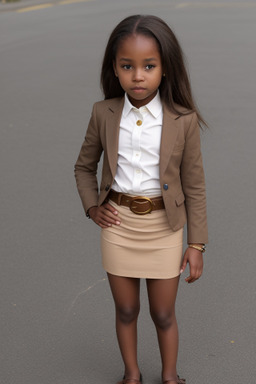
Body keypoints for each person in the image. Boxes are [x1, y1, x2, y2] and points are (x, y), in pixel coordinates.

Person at [74, 14, 208, 384]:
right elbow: (83, 167)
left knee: (163, 314)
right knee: (126, 308)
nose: (137, 76)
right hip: (118, 224)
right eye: (127, 66)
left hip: (164, 228)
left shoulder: (182, 119)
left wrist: (196, 244)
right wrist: (92, 207)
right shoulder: (104, 113)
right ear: (114, 69)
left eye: (149, 66)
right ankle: (131, 375)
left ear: (165, 68)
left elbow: (195, 185)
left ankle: (170, 376)